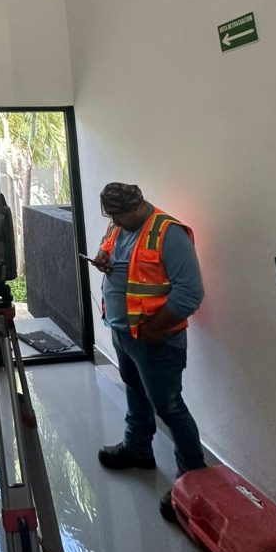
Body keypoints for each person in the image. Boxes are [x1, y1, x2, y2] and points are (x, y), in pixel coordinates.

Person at [91, 181, 205, 522]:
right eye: (110, 216)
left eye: (117, 215)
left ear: (135, 207)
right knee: (135, 390)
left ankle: (194, 483)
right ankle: (138, 448)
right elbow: (116, 255)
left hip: (157, 340)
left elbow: (190, 293)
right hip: (124, 332)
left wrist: (154, 330)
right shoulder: (118, 226)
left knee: (170, 407)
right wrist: (103, 258)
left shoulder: (169, 234)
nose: (113, 222)